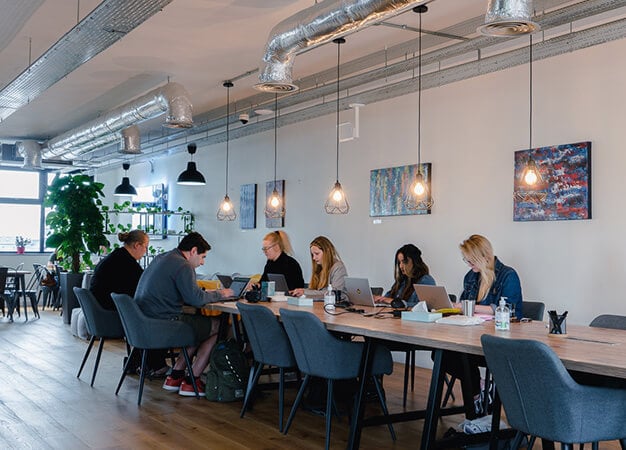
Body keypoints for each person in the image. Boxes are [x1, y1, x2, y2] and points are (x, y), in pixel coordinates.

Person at [134, 232, 234, 397]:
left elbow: (188, 293)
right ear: (193, 251)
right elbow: (196, 300)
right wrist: (221, 294)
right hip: (164, 324)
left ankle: (176, 376)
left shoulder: (163, 258)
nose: (202, 262)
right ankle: (191, 380)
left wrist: (203, 293)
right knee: (219, 326)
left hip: (146, 322)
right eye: (202, 257)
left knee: (199, 326)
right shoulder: (183, 265)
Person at [444, 234, 523, 418]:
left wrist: (466, 306)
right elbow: (465, 306)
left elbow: (508, 310)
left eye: (471, 260)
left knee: (463, 357)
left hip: (501, 337)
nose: (469, 264)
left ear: (485, 256)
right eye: (466, 260)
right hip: (473, 334)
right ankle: (480, 389)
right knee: (442, 353)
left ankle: (478, 401)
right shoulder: (471, 277)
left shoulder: (508, 275)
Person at [89, 230, 148, 310]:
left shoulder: (116, 256)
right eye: (145, 247)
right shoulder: (128, 264)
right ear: (137, 245)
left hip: (97, 308)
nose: (146, 251)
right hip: (110, 311)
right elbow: (144, 286)